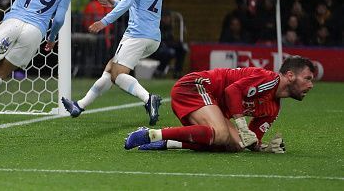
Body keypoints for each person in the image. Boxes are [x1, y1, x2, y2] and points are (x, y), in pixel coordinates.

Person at [61, 0, 163, 125]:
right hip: (153, 37)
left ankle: (149, 99)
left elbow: (128, 2)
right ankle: (79, 106)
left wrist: (104, 21)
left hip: (137, 34)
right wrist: (115, 2)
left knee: (117, 74)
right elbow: (142, 5)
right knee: (110, 69)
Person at [124, 56, 315, 153]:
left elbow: (249, 140)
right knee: (221, 134)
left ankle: (166, 143)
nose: (311, 85)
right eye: (307, 78)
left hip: (211, 103)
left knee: (235, 146)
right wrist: (240, 124)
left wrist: (264, 147)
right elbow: (231, 91)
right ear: (290, 76)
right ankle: (148, 134)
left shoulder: (273, 108)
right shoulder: (268, 79)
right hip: (195, 86)